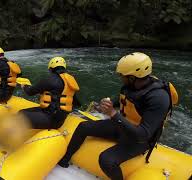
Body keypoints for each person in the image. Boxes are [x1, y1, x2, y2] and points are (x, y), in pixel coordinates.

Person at [58, 52, 178, 180]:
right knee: (83, 126)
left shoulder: (158, 98)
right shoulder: (133, 85)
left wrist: (113, 114)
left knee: (106, 160)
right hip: (123, 126)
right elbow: (124, 101)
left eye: (122, 76)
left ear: (132, 77)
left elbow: (144, 134)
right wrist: (104, 106)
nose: (120, 78)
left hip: (139, 140)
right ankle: (64, 160)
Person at [19, 57, 81, 129]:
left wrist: (24, 86)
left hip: (50, 118)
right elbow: (76, 103)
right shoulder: (70, 82)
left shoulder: (50, 79)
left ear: (51, 69)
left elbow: (30, 92)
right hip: (59, 118)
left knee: (20, 116)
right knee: (22, 112)